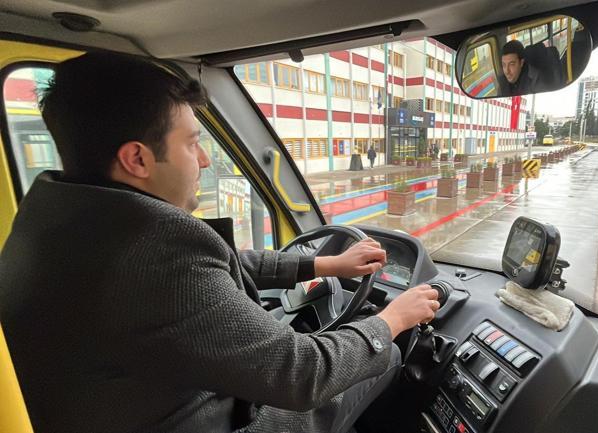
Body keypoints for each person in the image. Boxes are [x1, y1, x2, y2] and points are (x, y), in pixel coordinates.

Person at [0, 52, 440, 433]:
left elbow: (219, 264)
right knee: (382, 360)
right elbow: (304, 374)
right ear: (137, 159)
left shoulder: (57, 218)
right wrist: (393, 320)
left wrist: (324, 266)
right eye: (193, 143)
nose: (206, 159)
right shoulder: (161, 253)